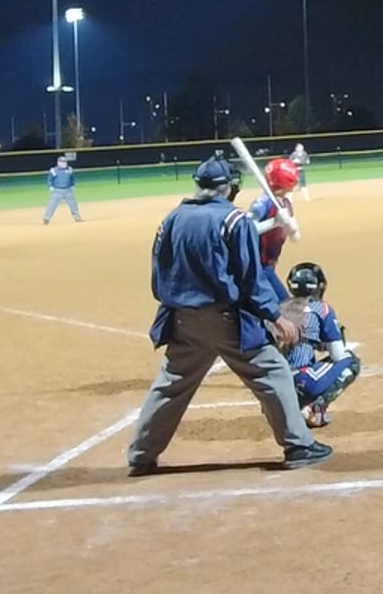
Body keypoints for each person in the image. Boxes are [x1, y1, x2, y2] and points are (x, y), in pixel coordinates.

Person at [126, 155, 331, 476]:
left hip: (181, 319)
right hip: (226, 319)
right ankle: (299, 446)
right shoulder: (234, 220)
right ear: (229, 188)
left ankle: (140, 454)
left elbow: (159, 276)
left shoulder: (172, 219)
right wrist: (275, 316)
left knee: (171, 385)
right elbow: (251, 279)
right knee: (273, 372)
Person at [281, 261, 361, 429]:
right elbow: (337, 354)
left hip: (275, 382)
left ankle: (284, 408)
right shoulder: (321, 309)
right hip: (303, 380)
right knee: (351, 360)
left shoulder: (278, 308)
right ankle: (315, 408)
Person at [248, 158, 303, 281]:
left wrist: (292, 230)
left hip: (268, 266)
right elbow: (247, 228)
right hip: (257, 268)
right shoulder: (264, 203)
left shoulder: (285, 203)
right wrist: (274, 222)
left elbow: (295, 238)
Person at [42, 156, 83, 224]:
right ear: (58, 162)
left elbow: (72, 178)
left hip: (68, 190)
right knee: (52, 205)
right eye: (62, 162)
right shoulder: (54, 170)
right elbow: (49, 179)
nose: (64, 164)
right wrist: (50, 186)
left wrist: (72, 185)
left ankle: (77, 218)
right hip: (57, 191)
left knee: (73, 204)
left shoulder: (69, 169)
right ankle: (46, 218)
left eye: (65, 162)